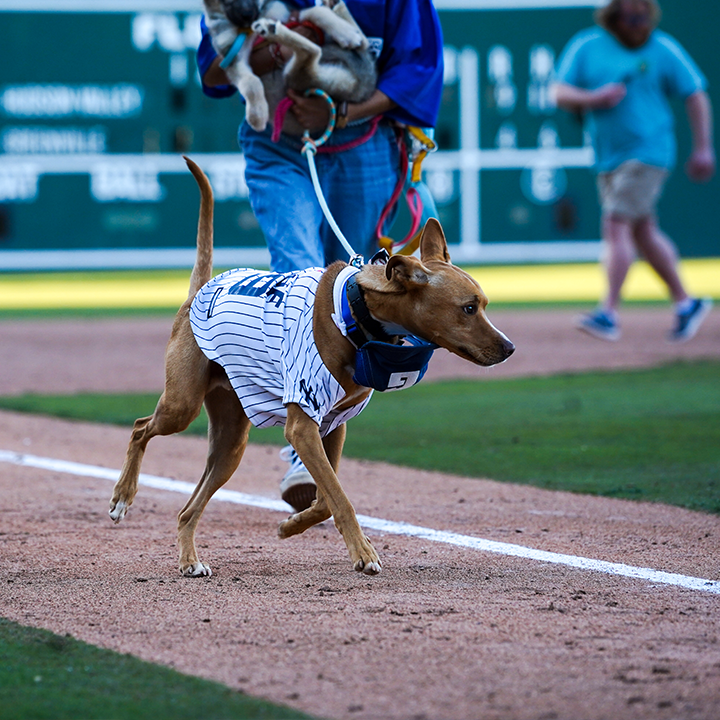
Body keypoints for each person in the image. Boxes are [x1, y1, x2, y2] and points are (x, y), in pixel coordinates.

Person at [197, 0, 444, 511]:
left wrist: (343, 111)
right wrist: (262, 52)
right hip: (277, 144)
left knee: (360, 292)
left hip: (365, 145)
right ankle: (300, 450)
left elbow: (417, 68)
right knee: (300, 276)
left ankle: (320, 430)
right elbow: (216, 70)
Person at [553, 0, 715, 342]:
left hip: (649, 152)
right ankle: (687, 303)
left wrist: (703, 147)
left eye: (643, 15)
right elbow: (559, 92)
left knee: (616, 223)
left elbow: (695, 93)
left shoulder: (663, 47)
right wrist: (594, 98)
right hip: (607, 157)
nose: (638, 21)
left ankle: (608, 313)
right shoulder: (588, 45)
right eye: (631, 15)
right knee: (643, 231)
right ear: (614, 16)